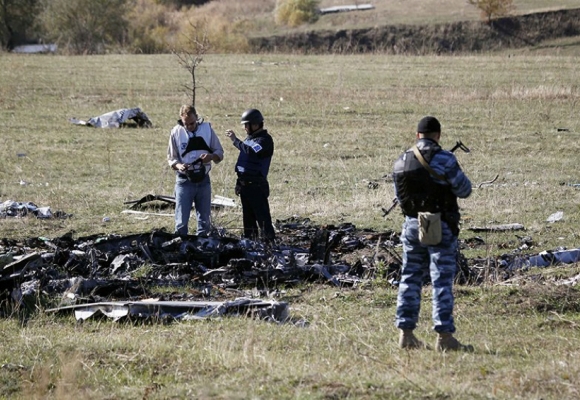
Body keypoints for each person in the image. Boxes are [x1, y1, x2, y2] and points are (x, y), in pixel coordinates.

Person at [392, 116, 473, 352]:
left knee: (409, 278)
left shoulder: (402, 160)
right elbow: (464, 190)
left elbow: (401, 197)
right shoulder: (445, 159)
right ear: (438, 135)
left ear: (417, 135)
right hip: (439, 223)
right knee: (441, 280)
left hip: (411, 224)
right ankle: (444, 337)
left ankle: (406, 334)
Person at [167, 104, 224, 236]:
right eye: (185, 124)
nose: (189, 126)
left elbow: (219, 152)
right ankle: (181, 247)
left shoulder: (207, 129)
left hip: (203, 180)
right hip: (184, 180)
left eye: (192, 123)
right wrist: (179, 166)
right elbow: (171, 158)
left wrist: (210, 157)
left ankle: (203, 247)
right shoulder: (176, 132)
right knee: (181, 222)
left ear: (197, 118)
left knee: (204, 222)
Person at [225, 108, 276, 242]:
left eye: (246, 125)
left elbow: (251, 152)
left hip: (257, 187)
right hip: (245, 187)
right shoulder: (250, 139)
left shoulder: (265, 140)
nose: (244, 128)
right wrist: (239, 183)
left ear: (255, 124)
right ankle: (251, 246)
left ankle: (269, 247)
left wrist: (235, 140)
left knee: (263, 220)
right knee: (248, 222)